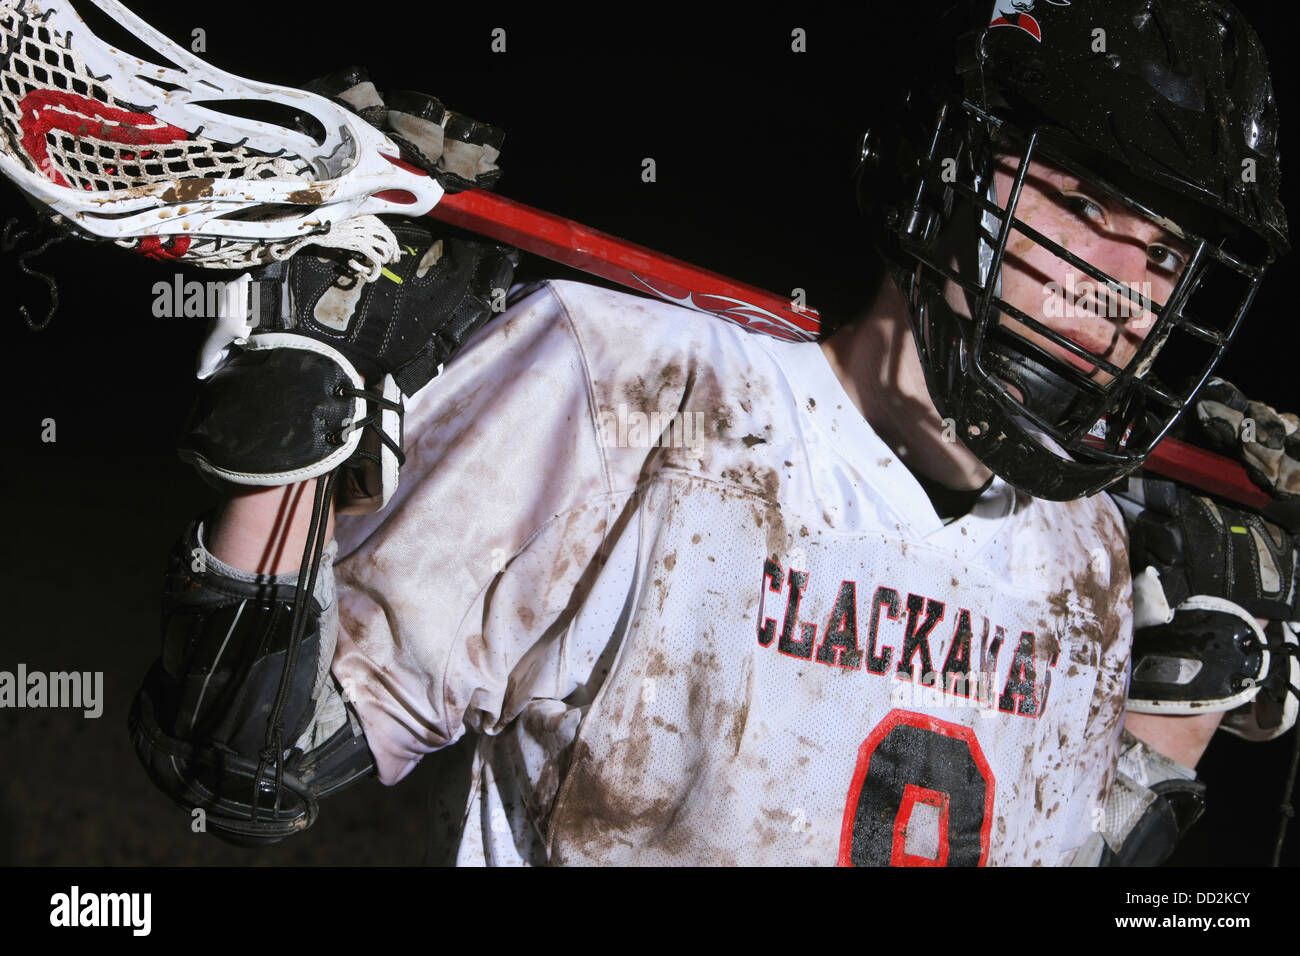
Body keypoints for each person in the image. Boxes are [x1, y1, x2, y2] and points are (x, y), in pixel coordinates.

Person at [129, 0, 1295, 864]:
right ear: (948, 174)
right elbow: (249, 753)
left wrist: (1172, 724)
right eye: (1083, 207)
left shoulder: (1096, 551)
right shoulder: (633, 392)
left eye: (1161, 255)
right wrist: (290, 419)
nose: (1120, 296)